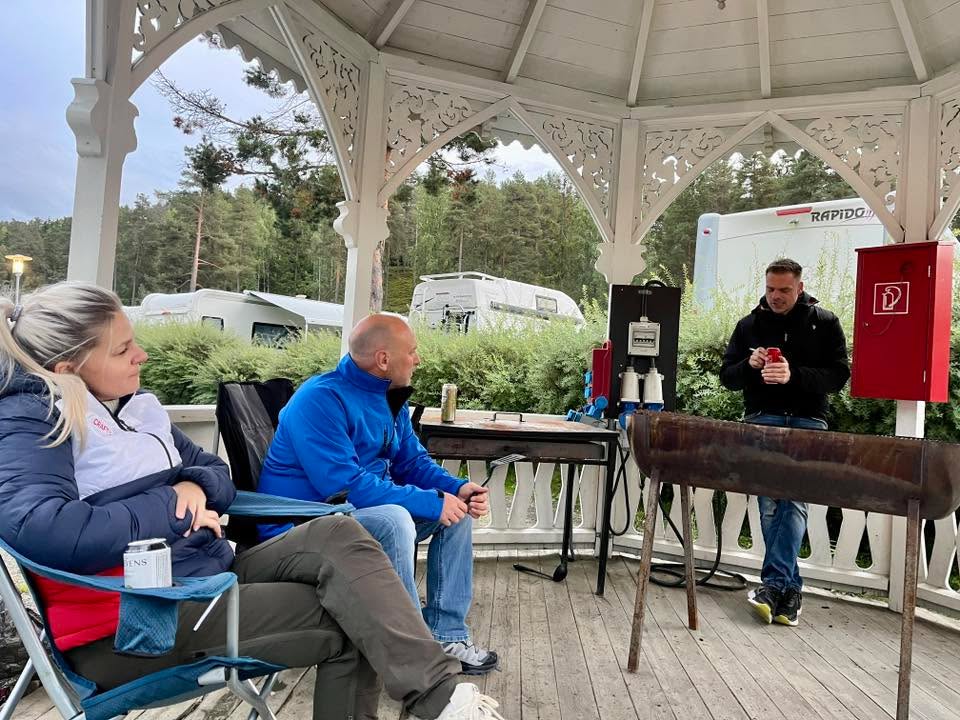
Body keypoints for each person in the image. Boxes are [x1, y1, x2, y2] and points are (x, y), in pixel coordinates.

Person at [0, 282, 507, 720]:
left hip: (207, 574)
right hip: (137, 618)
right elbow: (45, 527)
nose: (142, 355)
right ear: (68, 366)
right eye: (122, 349)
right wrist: (172, 502)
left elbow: (217, 473)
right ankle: (439, 695)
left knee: (341, 536)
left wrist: (194, 486)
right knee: (362, 614)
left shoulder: (134, 409)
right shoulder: (32, 419)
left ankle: (438, 682)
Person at [257, 314, 498, 675]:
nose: (417, 360)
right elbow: (344, 485)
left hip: (351, 513)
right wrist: (430, 502)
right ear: (383, 359)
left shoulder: (387, 398)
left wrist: (457, 489)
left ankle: (446, 635)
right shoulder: (320, 399)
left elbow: (412, 462)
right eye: (412, 352)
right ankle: (413, 654)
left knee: (455, 513)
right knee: (394, 518)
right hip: (302, 523)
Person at [719, 258, 850, 627]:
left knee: (792, 501)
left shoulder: (826, 322)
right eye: (770, 289)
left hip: (808, 422)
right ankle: (788, 591)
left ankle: (774, 586)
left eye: (784, 290)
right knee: (770, 505)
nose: (775, 296)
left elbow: (839, 376)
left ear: (800, 287)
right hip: (761, 419)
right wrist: (750, 366)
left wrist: (794, 375)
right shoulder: (748, 326)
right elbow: (727, 377)